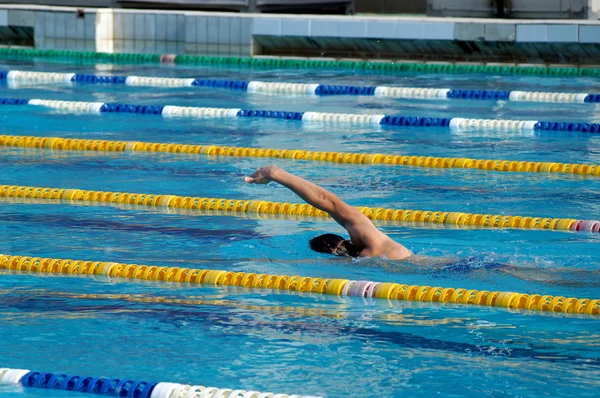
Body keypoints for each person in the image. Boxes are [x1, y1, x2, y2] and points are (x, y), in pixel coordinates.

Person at [244, 165, 414, 260]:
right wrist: (275, 174)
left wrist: (275, 174)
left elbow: (328, 201)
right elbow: (329, 202)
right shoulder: (371, 242)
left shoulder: (360, 258)